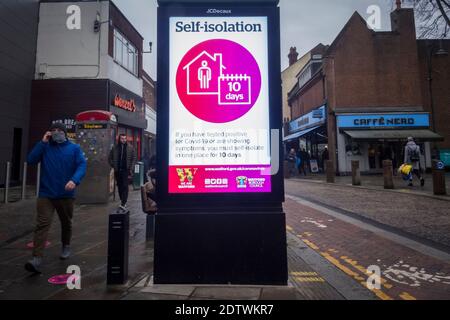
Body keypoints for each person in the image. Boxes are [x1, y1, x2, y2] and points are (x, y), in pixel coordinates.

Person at [25, 123, 87, 274]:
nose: (56, 133)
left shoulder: (74, 148)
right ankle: (36, 259)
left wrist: (74, 180)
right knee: (42, 225)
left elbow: (82, 165)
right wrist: (42, 142)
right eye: (53, 131)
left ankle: (66, 245)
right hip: (46, 194)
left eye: (59, 131)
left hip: (65, 195)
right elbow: (31, 160)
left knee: (66, 222)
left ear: (65, 133)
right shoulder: (45, 147)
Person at [109, 134, 136, 211]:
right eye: (122, 138)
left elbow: (134, 158)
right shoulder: (115, 148)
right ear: (119, 139)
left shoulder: (130, 148)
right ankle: (122, 200)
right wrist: (113, 165)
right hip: (118, 170)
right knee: (120, 186)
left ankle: (123, 203)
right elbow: (109, 158)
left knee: (125, 186)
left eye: (125, 138)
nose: (123, 140)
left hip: (126, 170)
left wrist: (131, 167)